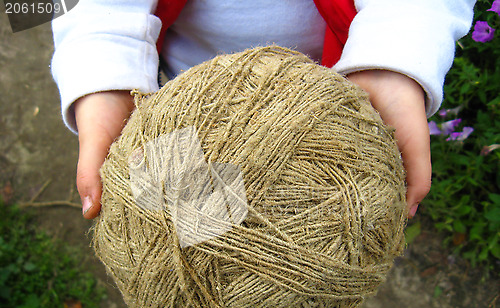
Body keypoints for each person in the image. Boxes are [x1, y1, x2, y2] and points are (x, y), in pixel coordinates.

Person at [51, 0, 476, 220]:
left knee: (308, 216)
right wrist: (102, 65)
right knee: (200, 226)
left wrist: (394, 58)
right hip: (181, 93)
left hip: (336, 86)